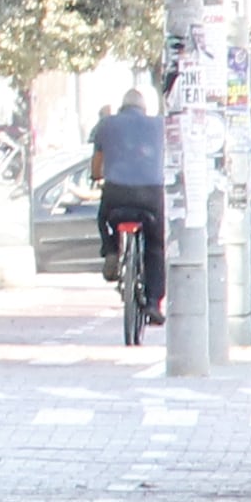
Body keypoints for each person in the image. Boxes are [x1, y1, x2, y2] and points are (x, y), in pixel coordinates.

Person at [89, 80, 167, 328]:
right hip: (152, 196)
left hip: (116, 195)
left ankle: (111, 250)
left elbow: (97, 162)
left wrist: (96, 177)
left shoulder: (107, 124)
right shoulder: (159, 126)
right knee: (155, 247)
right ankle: (153, 302)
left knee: (103, 217)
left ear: (123, 107)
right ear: (144, 109)